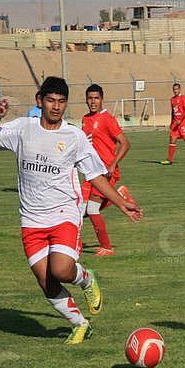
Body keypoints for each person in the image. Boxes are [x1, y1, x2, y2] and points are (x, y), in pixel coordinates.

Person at [0, 77, 143, 345]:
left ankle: (86, 279)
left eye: (62, 101)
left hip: (64, 213)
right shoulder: (22, 128)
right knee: (47, 282)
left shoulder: (74, 136)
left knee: (62, 269)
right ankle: (80, 324)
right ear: (39, 100)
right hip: (31, 218)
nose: (56, 106)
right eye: (51, 100)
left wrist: (122, 203)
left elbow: (96, 175)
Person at [80, 83, 134, 257]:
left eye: (96, 98)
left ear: (102, 99)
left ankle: (107, 247)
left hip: (105, 173)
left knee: (92, 210)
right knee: (79, 211)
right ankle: (119, 196)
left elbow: (125, 143)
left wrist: (112, 164)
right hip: (91, 173)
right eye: (90, 98)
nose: (93, 101)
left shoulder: (107, 119)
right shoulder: (85, 119)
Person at [160, 83, 185, 165]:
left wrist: (180, 119)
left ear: (179, 89)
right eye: (174, 89)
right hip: (175, 124)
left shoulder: (183, 98)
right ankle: (169, 160)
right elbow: (173, 112)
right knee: (172, 140)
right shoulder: (172, 100)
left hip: (183, 124)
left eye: (177, 89)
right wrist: (171, 123)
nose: (175, 91)